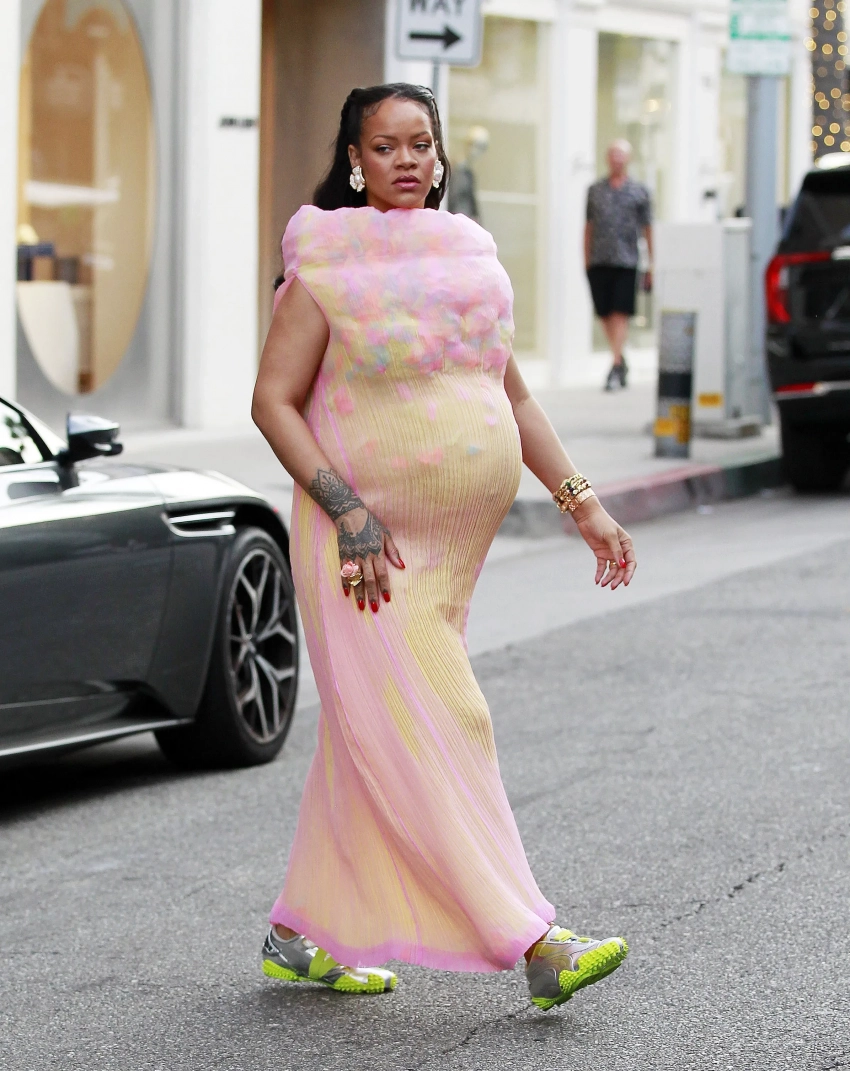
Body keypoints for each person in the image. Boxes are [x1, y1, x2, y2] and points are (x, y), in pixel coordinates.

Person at [252, 83, 636, 1012]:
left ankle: (298, 935)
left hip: (449, 555)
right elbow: (272, 401)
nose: (406, 160)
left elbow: (513, 396)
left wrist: (582, 503)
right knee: (447, 718)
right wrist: (347, 510)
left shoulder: (467, 257)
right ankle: (535, 941)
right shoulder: (329, 265)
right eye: (385, 146)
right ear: (355, 161)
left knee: (371, 733)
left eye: (420, 143)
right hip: (364, 548)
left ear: (440, 154)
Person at [585, 139, 653, 391]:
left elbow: (647, 229)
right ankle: (620, 357)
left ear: (628, 159)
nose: (617, 159)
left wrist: (652, 263)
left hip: (627, 260)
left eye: (621, 154)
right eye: (613, 154)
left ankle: (615, 364)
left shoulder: (639, 191)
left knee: (620, 312)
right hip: (599, 259)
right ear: (607, 158)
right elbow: (588, 227)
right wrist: (585, 259)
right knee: (604, 313)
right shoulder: (595, 191)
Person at [447, 124, 489, 223]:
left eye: (482, 148)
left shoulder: (468, 173)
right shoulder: (456, 171)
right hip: (457, 223)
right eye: (475, 145)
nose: (477, 151)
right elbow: (453, 199)